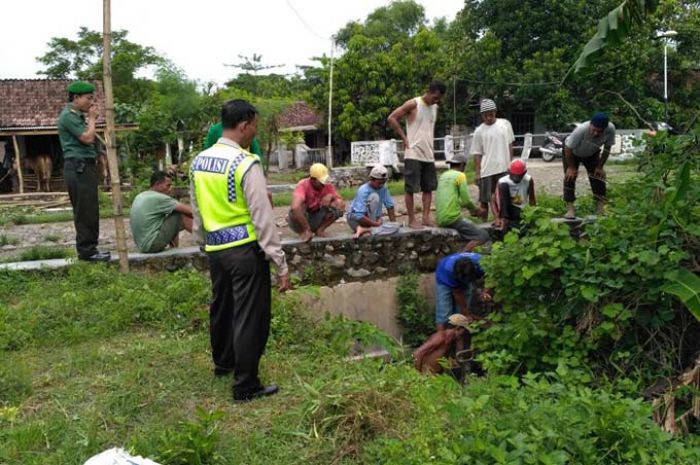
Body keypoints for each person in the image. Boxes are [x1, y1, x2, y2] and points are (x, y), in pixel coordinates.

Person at [190, 99, 290, 403]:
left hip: (216, 249)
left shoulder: (199, 162)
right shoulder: (245, 163)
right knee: (249, 315)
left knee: (222, 307)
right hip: (244, 251)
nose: (254, 134)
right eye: (255, 127)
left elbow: (197, 210)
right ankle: (246, 384)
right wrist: (279, 262)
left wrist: (202, 241)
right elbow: (262, 217)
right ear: (244, 124)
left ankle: (224, 363)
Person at [57, 81, 110, 262]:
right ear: (76, 98)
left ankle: (91, 249)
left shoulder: (78, 116)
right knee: (84, 210)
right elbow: (87, 138)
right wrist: (93, 119)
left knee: (91, 208)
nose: (91, 102)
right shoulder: (69, 116)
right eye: (88, 98)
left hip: (85, 166)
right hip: (78, 167)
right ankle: (86, 251)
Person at [387, 80, 446, 229]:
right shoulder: (414, 104)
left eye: (439, 99)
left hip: (428, 154)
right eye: (435, 97)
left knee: (429, 187)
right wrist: (404, 137)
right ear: (429, 91)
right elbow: (392, 118)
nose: (436, 101)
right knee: (411, 188)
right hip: (413, 152)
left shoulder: (435, 108)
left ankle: (426, 217)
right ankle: (412, 219)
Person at [563, 112, 615, 218]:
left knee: (598, 177)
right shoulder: (581, 130)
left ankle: (601, 208)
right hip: (572, 152)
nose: (595, 133)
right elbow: (568, 148)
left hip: (592, 153)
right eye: (594, 130)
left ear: (605, 129)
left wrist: (600, 167)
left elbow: (607, 148)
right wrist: (571, 167)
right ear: (590, 124)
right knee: (570, 177)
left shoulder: (610, 129)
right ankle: (570, 209)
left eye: (599, 132)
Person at [471, 98, 515, 222]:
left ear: (495, 112)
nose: (489, 118)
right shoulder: (479, 131)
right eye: (485, 116)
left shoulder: (505, 124)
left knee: (503, 197)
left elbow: (510, 144)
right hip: (487, 169)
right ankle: (483, 223)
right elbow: (477, 153)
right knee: (484, 199)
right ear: (482, 116)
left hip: (504, 167)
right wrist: (478, 172)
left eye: (491, 114)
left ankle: (504, 220)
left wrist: (511, 164)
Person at [129, 171, 194, 253]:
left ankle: (174, 250)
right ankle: (208, 241)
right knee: (180, 214)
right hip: (151, 245)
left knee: (172, 214)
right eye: (168, 186)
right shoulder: (159, 198)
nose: (170, 189)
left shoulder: (141, 195)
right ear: (157, 184)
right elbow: (191, 212)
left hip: (143, 245)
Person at [435, 153, 489, 252]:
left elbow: (457, 200)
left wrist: (473, 211)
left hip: (440, 219)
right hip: (452, 218)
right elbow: (466, 200)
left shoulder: (443, 176)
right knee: (483, 235)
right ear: (462, 165)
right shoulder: (460, 176)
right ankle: (462, 255)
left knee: (468, 227)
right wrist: (477, 210)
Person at [434, 251, 492, 331]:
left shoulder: (482, 263)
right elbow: (457, 293)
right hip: (444, 275)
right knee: (444, 312)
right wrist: (465, 312)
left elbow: (491, 275)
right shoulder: (449, 271)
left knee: (461, 314)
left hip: (464, 274)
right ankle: (442, 337)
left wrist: (485, 291)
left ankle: (459, 337)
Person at [288, 163, 345, 241]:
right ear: (312, 180)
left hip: (316, 217)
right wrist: (306, 229)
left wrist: (331, 196)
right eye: (321, 181)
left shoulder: (327, 185)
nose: (323, 184)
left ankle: (320, 230)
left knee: (338, 204)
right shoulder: (303, 185)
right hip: (301, 221)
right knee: (298, 207)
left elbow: (341, 203)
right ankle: (304, 231)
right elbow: (295, 207)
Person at [346, 164, 397, 238]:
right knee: (374, 197)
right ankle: (369, 229)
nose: (381, 185)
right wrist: (376, 224)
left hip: (374, 221)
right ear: (371, 179)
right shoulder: (363, 190)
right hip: (356, 221)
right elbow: (359, 216)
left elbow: (390, 206)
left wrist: (393, 224)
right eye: (379, 183)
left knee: (395, 228)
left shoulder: (383, 188)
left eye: (383, 183)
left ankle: (366, 230)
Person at [494, 159, 536, 233]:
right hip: (507, 211)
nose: (516, 178)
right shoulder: (502, 181)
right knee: (504, 186)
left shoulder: (528, 180)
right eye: (514, 175)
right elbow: (494, 199)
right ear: (509, 172)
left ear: (524, 173)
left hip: (521, 210)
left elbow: (532, 199)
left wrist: (533, 214)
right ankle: (504, 220)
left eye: (519, 176)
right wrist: (497, 217)